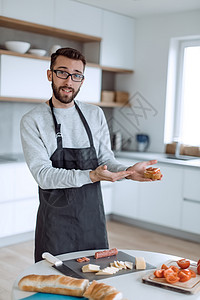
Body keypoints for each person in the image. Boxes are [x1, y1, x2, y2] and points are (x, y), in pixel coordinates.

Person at [20, 47, 159, 262]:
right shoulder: (33, 120)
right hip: (56, 222)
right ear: (50, 74)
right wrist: (91, 176)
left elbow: (106, 160)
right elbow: (43, 176)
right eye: (62, 72)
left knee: (96, 279)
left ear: (82, 80)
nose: (69, 81)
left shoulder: (94, 114)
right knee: (56, 282)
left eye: (76, 75)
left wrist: (128, 171)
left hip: (91, 218)